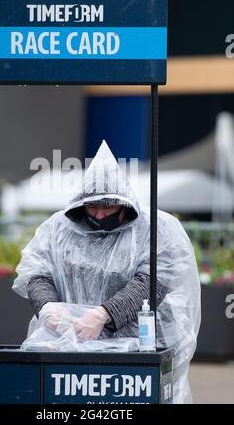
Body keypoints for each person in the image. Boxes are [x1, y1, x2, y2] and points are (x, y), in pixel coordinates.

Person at [13, 140, 201, 403]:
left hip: (143, 348)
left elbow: (152, 280)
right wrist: (47, 306)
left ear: (125, 206)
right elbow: (37, 272)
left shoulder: (156, 228)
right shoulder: (57, 229)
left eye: (109, 207)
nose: (100, 215)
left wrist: (104, 315)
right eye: (93, 207)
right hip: (72, 343)